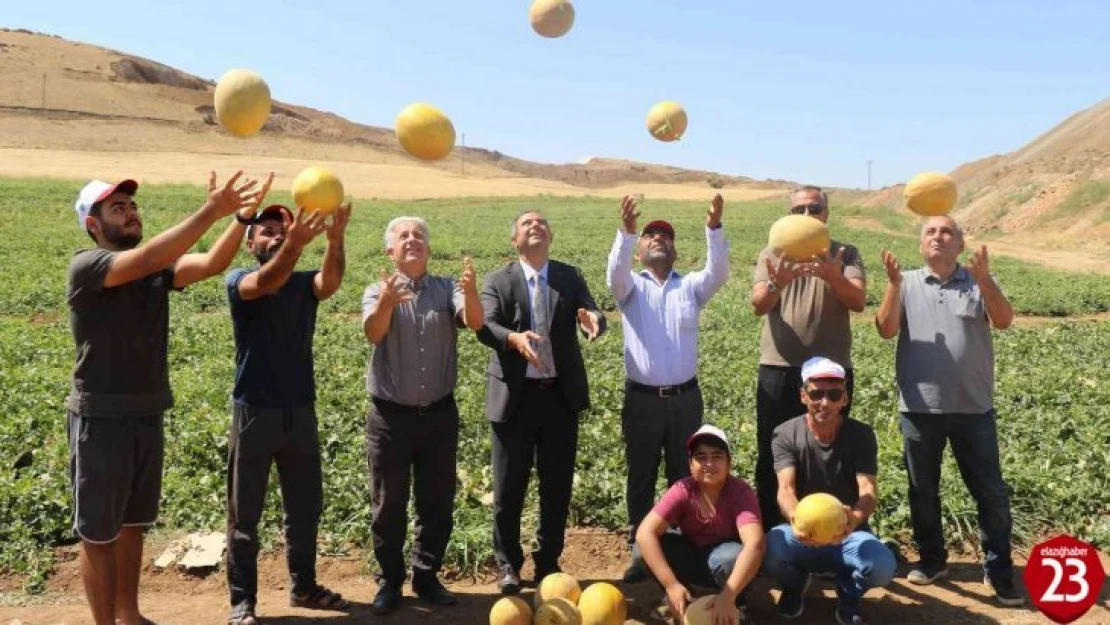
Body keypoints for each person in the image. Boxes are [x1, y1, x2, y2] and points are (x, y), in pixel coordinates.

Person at [66, 171, 269, 625]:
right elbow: (151, 256)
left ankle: (130, 614)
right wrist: (211, 210)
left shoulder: (154, 268)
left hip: (146, 413)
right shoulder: (88, 266)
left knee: (133, 524)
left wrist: (241, 218)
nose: (131, 212)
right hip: (101, 419)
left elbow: (212, 263)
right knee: (98, 533)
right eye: (117, 207)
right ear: (93, 224)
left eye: (132, 205)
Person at [874, 216, 1023, 606]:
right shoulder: (904, 282)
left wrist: (987, 280)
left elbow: (1004, 321)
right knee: (923, 490)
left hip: (974, 408)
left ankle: (999, 569)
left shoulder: (979, 280)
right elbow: (886, 330)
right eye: (930, 232)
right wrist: (892, 286)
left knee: (989, 492)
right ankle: (932, 559)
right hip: (920, 409)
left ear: (960, 243)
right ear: (920, 243)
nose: (938, 237)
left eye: (947, 232)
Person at [224, 201, 352, 625]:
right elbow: (268, 280)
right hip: (254, 411)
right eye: (266, 230)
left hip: (300, 410)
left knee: (304, 507)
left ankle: (304, 586)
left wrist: (334, 240)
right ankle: (243, 601)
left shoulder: (301, 283)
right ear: (249, 243)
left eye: (283, 229)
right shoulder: (240, 280)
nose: (276, 234)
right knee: (245, 515)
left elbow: (329, 283)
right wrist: (295, 244)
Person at [476, 209, 607, 595]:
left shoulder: (569, 277)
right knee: (508, 488)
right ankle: (508, 565)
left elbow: (592, 310)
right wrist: (512, 339)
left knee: (556, 487)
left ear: (550, 236)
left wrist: (594, 321)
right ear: (515, 240)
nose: (535, 227)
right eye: (526, 224)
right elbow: (485, 324)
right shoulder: (499, 279)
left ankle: (548, 562)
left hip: (557, 399)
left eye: (541, 223)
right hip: (514, 400)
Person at [361, 216, 484, 614]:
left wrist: (473, 292)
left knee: (436, 501)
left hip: (438, 416)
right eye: (404, 235)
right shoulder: (376, 290)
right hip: (389, 418)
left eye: (419, 236)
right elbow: (374, 333)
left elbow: (475, 321)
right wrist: (386, 303)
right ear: (390, 250)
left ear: (428, 249)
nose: (412, 240)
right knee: (388, 503)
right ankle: (390, 582)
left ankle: (426, 577)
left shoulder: (449, 289)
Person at [606, 193, 730, 583]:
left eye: (665, 236)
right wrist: (626, 233)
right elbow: (614, 274)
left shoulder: (691, 287)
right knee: (641, 475)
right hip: (642, 400)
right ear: (640, 251)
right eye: (650, 235)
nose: (658, 238)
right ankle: (641, 549)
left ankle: (679, 545)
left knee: (684, 473)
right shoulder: (630, 289)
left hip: (685, 399)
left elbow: (719, 273)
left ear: (675, 251)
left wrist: (713, 228)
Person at [750, 186, 866, 529]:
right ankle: (773, 531)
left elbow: (858, 301)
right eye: (798, 210)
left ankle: (829, 528)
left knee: (831, 451)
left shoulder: (845, 254)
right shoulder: (771, 253)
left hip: (829, 373)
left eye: (813, 208)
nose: (806, 216)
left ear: (826, 214)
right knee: (773, 451)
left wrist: (833, 276)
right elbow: (758, 305)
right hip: (778, 368)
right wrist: (776, 285)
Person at [762, 357, 895, 625]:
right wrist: (795, 521)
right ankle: (795, 584)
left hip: (848, 532)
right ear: (803, 395)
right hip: (801, 532)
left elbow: (867, 491)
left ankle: (848, 594)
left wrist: (852, 520)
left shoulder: (861, 435)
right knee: (770, 552)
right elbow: (785, 490)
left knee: (882, 567)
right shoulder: (785, 434)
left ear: (844, 398)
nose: (824, 402)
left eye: (833, 394)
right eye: (816, 393)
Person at [634, 425, 764, 625]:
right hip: (693, 555)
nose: (709, 464)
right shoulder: (683, 489)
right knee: (640, 550)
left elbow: (755, 544)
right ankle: (684, 598)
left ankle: (737, 604)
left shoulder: (740, 492)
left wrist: (728, 595)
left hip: (724, 564)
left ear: (729, 462)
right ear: (690, 464)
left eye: (717, 456)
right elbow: (645, 533)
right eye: (701, 457)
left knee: (731, 557)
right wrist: (671, 585)